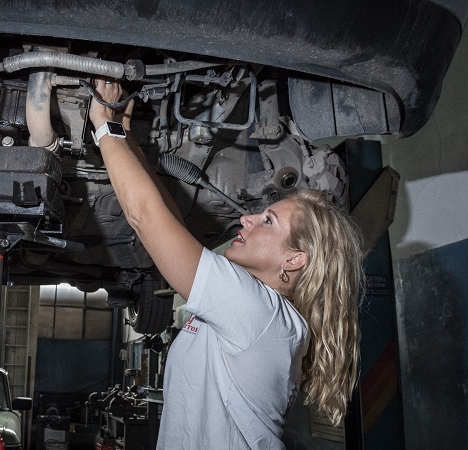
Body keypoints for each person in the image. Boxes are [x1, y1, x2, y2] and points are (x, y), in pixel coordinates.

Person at [88, 79, 364, 449]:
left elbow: (146, 218)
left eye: (268, 220)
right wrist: (124, 136)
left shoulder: (259, 315)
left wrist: (104, 126)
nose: (247, 219)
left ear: (294, 259)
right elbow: (172, 227)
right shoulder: (266, 316)